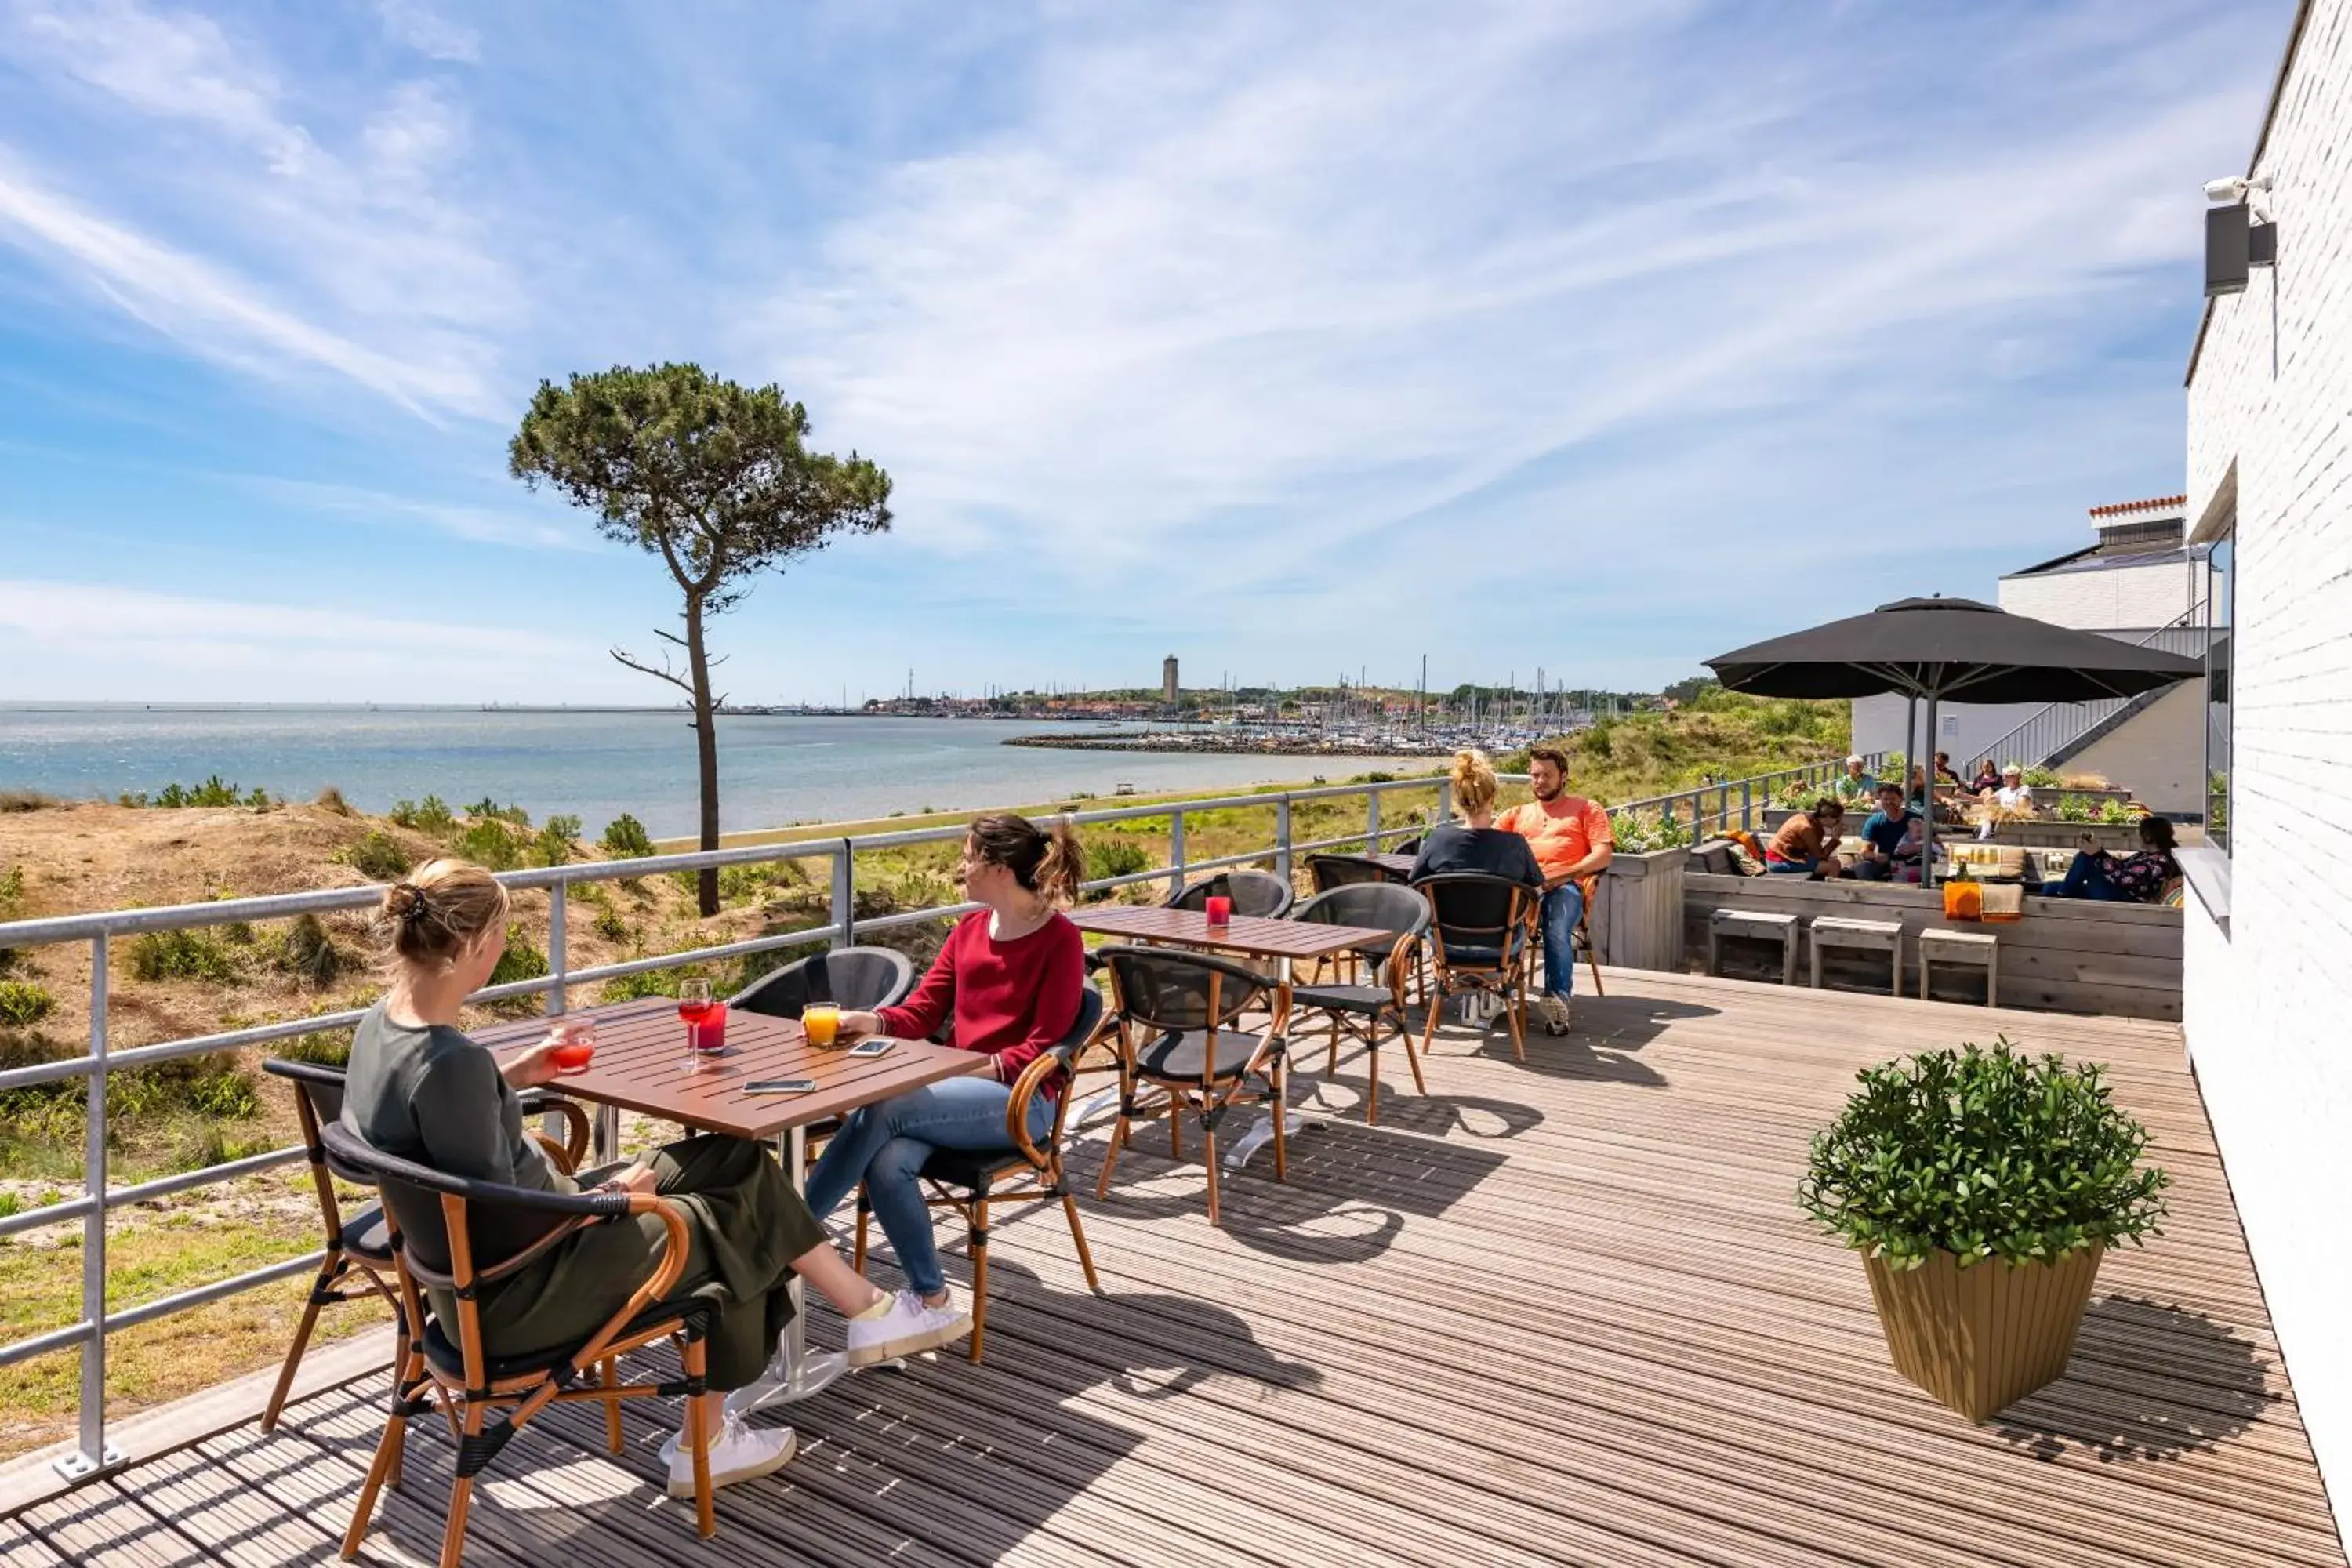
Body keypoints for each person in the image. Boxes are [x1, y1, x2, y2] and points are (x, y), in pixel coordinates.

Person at [343, 860, 956, 1501]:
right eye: (500, 932)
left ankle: (867, 1311)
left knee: (735, 1160)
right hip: (520, 1288)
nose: (502, 946)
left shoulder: (384, 1029)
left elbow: (443, 1130)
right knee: (732, 1228)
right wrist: (605, 1203)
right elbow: (506, 1215)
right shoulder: (451, 1066)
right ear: (473, 945)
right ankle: (708, 1442)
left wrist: (516, 1074)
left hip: (482, 1268)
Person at [812, 813, 1087, 1329]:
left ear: (1000, 869)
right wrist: (867, 1020)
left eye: (969, 858)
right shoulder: (967, 930)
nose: (961, 868)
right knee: (887, 1160)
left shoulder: (1060, 941)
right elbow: (921, 1014)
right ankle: (933, 1300)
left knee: (888, 1103)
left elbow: (1041, 1047)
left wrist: (956, 1070)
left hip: (1022, 1103)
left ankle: (791, 1234)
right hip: (955, 1095)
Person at [1492, 745, 1613, 1036]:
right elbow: (1488, 845)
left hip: (1567, 886)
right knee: (1494, 913)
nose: (1539, 781)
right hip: (1524, 886)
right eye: (1534, 775)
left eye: (1547, 775)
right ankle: (1495, 989)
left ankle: (1557, 999)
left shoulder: (1587, 809)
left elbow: (1603, 856)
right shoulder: (1517, 814)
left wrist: (1563, 875)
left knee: (1557, 926)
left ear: (1564, 776)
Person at [1411, 749, 1545, 888]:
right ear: (1492, 799)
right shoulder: (1515, 845)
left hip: (1447, 911)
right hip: (1499, 911)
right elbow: (1536, 886)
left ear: (1458, 800)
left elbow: (1415, 882)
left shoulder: (1437, 840)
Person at [2036, 817, 2180, 902]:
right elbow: (2120, 866)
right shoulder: (2146, 855)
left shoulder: (2160, 862)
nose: (2138, 835)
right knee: (2049, 888)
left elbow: (2123, 878)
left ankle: (2065, 893)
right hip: (2110, 888)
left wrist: (2097, 854)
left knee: (2086, 857)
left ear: (2149, 836)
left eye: (2140, 832)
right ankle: (2064, 892)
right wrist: (2100, 853)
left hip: (2121, 896)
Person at [1849, 782, 1921, 883]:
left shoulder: (1916, 820)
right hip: (1887, 863)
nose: (1889, 802)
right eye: (1885, 799)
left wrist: (1917, 848)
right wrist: (1875, 856)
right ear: (1880, 801)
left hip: (1911, 864)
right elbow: (1865, 851)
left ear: (1901, 800)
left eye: (1893, 799)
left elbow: (1937, 848)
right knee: (1863, 868)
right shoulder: (1874, 821)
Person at [1766, 798, 1846, 877]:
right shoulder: (1806, 828)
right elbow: (1820, 857)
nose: (1839, 824)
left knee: (1835, 862)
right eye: (1837, 821)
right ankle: (1827, 890)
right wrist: (1835, 838)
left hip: (1787, 858)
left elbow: (1817, 854)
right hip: (1779, 861)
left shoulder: (1810, 821)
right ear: (1827, 817)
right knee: (1834, 867)